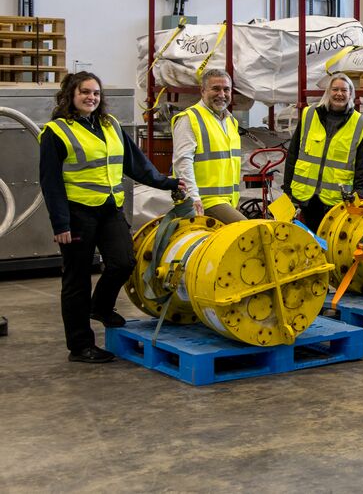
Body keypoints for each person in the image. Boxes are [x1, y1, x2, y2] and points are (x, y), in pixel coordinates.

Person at [38, 72, 184, 363]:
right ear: (70, 94)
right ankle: (80, 346)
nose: (91, 97)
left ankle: (101, 307)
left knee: (124, 261)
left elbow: (136, 165)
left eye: (96, 93)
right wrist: (61, 223)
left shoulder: (110, 125)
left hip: (109, 208)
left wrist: (167, 182)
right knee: (77, 280)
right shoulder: (56, 131)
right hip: (77, 214)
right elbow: (50, 182)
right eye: (85, 92)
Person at [283, 72, 363, 229]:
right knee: (303, 244)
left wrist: (360, 194)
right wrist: (287, 187)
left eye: (344, 90)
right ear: (328, 92)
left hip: (337, 201)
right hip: (305, 198)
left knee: (329, 248)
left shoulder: (360, 124)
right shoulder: (309, 115)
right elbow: (293, 154)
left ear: (351, 94)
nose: (339, 94)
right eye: (335, 89)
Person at [172, 68, 245, 224]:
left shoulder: (231, 121)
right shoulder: (189, 118)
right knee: (252, 234)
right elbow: (182, 161)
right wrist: (193, 197)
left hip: (229, 201)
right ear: (203, 91)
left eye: (226, 89)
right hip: (205, 202)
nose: (222, 94)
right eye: (216, 89)